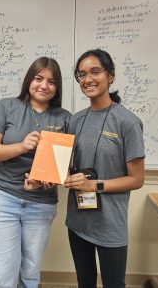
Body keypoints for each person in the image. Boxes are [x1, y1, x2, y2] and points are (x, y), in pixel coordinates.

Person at [0, 56, 71, 288]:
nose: (44, 85)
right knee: (3, 273)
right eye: (38, 78)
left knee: (31, 274)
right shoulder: (6, 106)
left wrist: (51, 180)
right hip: (3, 199)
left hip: (41, 203)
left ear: (58, 87)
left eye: (51, 81)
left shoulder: (65, 118)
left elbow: (66, 166)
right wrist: (21, 146)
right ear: (29, 80)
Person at [64, 48, 145, 288]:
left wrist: (94, 185)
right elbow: (68, 166)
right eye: (81, 74)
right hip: (78, 221)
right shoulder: (75, 120)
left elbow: (137, 179)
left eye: (95, 71)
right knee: (84, 283)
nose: (87, 79)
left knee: (113, 284)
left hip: (110, 224)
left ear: (110, 76)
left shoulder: (127, 122)